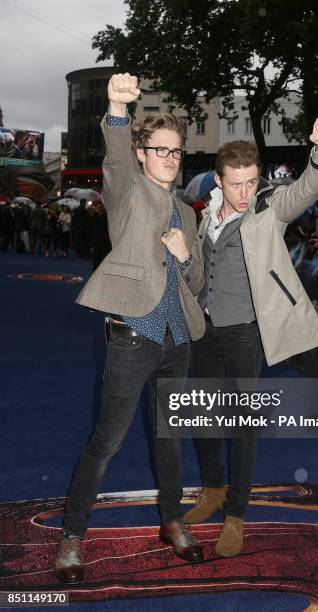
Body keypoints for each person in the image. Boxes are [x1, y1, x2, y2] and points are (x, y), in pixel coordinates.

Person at [55, 73, 205, 584]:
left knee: (169, 438)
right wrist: (118, 110)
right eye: (159, 149)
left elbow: (199, 280)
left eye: (176, 151)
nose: (169, 157)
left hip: (176, 340)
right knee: (108, 441)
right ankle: (73, 535)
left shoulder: (188, 211)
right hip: (134, 334)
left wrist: (186, 258)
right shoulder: (127, 191)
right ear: (143, 154)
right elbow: (115, 158)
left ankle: (172, 519)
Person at [184, 117, 318, 558]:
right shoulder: (205, 213)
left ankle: (236, 514)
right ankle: (213, 489)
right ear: (219, 180)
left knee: (243, 428)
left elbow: (307, 188)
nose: (244, 193)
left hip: (245, 334)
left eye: (251, 182)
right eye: (235, 184)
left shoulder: (267, 208)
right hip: (205, 330)